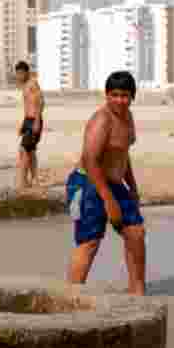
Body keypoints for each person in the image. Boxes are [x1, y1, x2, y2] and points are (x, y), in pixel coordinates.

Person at [65, 71, 146, 296]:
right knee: (90, 242)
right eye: (115, 95)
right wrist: (108, 201)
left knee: (136, 233)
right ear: (107, 95)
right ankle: (70, 298)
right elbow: (90, 160)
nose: (120, 100)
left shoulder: (128, 118)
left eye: (125, 95)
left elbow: (122, 154)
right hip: (87, 183)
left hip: (114, 183)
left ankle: (137, 292)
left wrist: (133, 187)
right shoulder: (102, 120)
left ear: (133, 97)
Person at [14, 61, 44, 188]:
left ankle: (23, 181)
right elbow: (28, 106)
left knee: (24, 150)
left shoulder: (32, 84)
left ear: (27, 72)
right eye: (18, 73)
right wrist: (23, 124)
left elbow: (40, 102)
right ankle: (35, 179)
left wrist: (37, 121)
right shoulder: (25, 85)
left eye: (21, 73)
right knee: (30, 151)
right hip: (28, 120)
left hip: (34, 120)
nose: (19, 76)